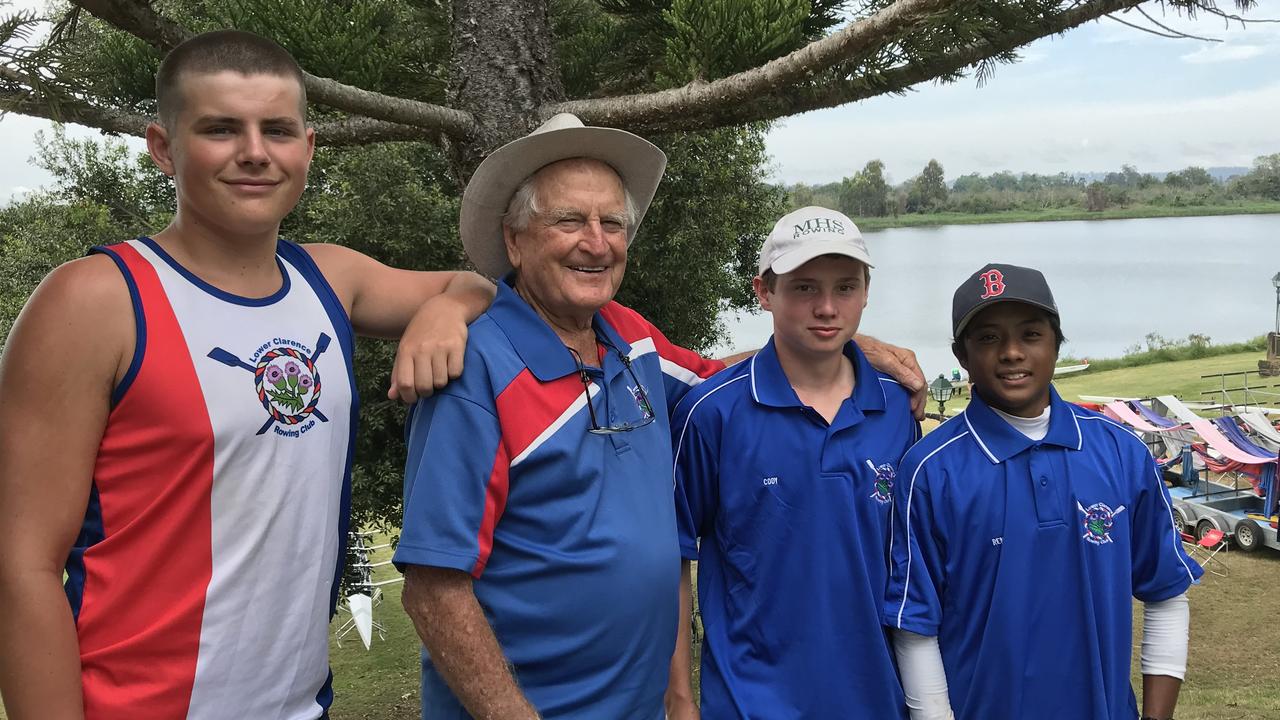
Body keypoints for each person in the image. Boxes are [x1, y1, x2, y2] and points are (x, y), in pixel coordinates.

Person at [0, 30, 493, 720]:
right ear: (163, 147)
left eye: (278, 130)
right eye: (221, 128)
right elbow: (21, 569)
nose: (255, 152)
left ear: (308, 148)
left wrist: (448, 309)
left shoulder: (330, 278)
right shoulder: (94, 301)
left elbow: (473, 283)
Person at [393, 114, 926, 719]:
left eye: (612, 223)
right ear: (515, 240)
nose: (596, 242)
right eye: (569, 220)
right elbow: (434, 589)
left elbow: (737, 375)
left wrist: (858, 348)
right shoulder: (475, 368)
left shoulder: (629, 340)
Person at [883, 263, 1202, 720]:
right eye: (988, 338)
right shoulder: (930, 470)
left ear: (1056, 342)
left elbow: (1167, 592)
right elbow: (915, 628)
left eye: (1030, 334)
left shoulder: (1122, 453)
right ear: (962, 355)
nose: (1012, 352)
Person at [665, 206, 920, 719]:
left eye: (845, 287)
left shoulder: (898, 409)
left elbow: (912, 566)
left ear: (866, 292)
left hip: (879, 700)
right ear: (764, 292)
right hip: (752, 702)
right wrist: (679, 701)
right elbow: (671, 562)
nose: (827, 307)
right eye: (804, 288)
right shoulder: (710, 413)